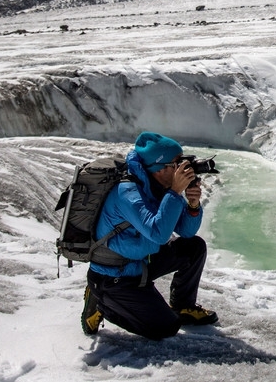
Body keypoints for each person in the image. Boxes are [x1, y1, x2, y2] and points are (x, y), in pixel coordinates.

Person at [81, 131, 217, 339]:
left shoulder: (157, 186)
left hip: (140, 261)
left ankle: (183, 307)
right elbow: (158, 234)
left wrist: (193, 204)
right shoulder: (126, 192)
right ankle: (102, 303)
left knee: (194, 247)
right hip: (113, 275)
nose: (181, 168)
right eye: (176, 164)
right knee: (165, 328)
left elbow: (187, 231)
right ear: (159, 168)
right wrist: (174, 192)